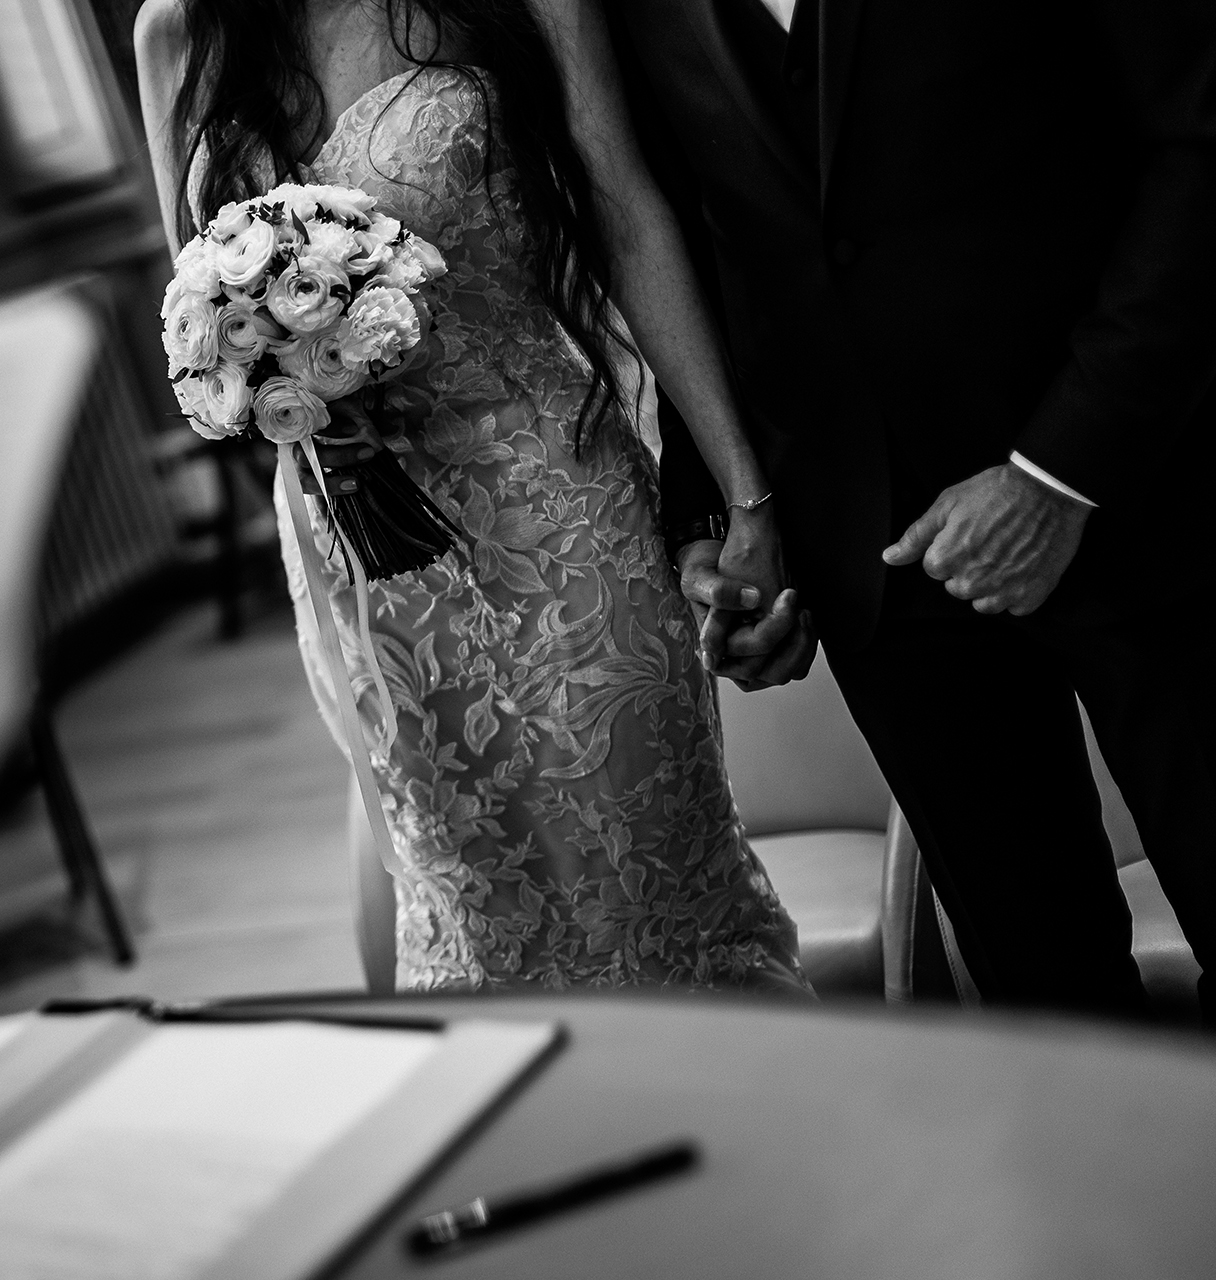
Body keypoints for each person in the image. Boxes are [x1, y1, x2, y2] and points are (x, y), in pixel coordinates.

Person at [136, 0, 816, 994]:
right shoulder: (180, 33)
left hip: (552, 514)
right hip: (365, 563)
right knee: (477, 920)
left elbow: (625, 215)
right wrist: (280, 387)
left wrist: (748, 498)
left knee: (646, 904)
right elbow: (193, 324)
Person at [605, 0, 1216, 1021]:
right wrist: (714, 510)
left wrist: (1057, 472)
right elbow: (709, 240)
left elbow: (1200, 148)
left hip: (1151, 503)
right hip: (882, 575)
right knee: (1049, 1010)